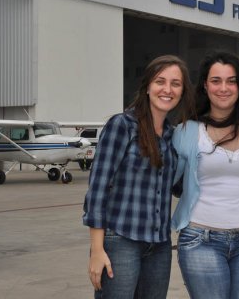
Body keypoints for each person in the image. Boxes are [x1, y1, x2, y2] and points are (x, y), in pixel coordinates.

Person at [82, 55, 194, 299]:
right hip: (121, 241)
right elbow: (98, 189)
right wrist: (97, 250)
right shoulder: (122, 126)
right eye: (160, 81)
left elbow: (178, 187)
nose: (167, 89)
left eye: (176, 84)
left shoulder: (172, 136)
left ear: (182, 91)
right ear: (147, 87)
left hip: (159, 246)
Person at [171, 51, 239, 299]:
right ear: (205, 85)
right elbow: (166, 180)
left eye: (231, 80)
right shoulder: (186, 130)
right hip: (200, 240)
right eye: (216, 81)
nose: (224, 88)